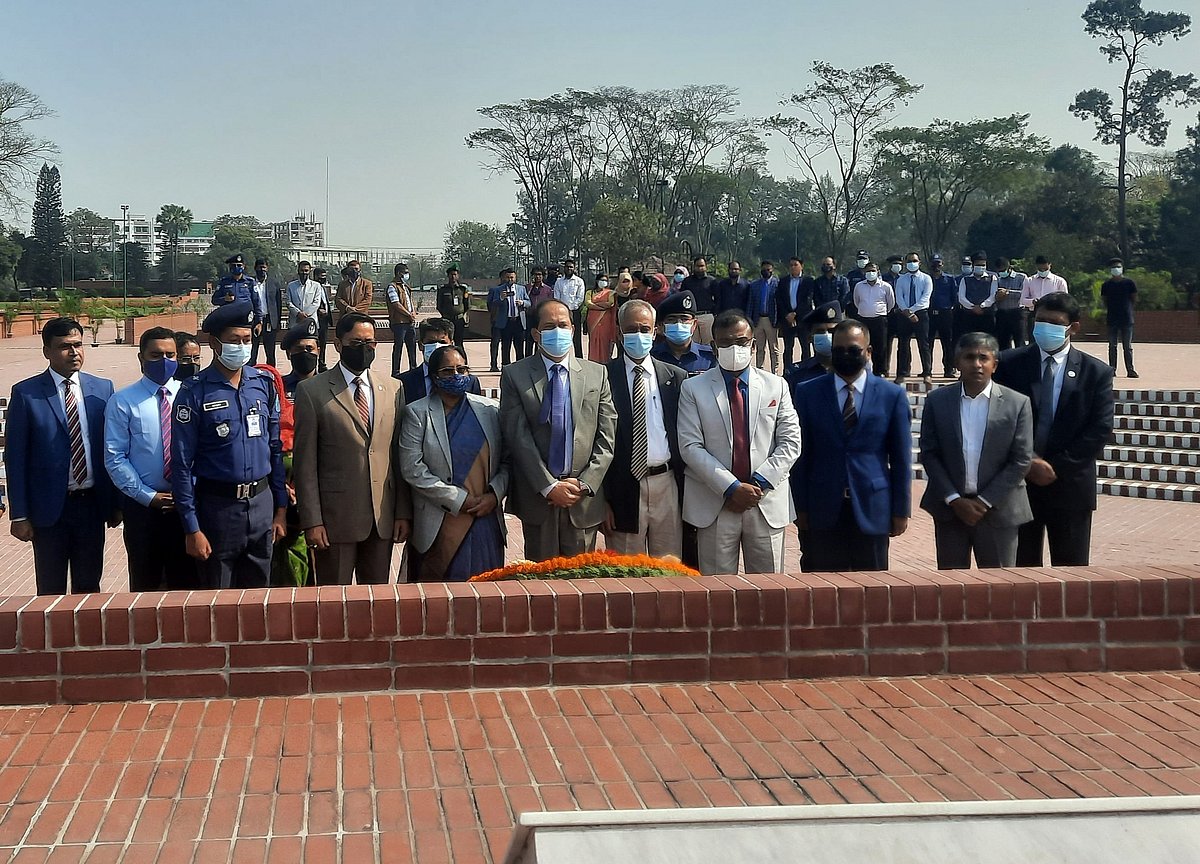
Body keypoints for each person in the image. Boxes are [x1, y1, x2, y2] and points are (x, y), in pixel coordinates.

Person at [171, 301, 288, 590]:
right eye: (234, 340)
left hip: (261, 507)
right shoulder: (194, 391)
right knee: (217, 602)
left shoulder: (262, 384)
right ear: (214, 343)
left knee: (259, 600)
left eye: (247, 340)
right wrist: (191, 527)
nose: (242, 346)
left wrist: (280, 509)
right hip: (218, 510)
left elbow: (274, 448)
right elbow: (181, 464)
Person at [993, 292, 1114, 567]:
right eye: (1040, 320)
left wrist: (1054, 467)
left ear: (1073, 328)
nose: (1045, 327)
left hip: (1070, 488)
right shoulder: (1008, 364)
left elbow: (1100, 429)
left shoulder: (1096, 373)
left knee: (1071, 576)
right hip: (1019, 485)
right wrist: (1030, 462)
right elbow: (998, 419)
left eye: (1054, 322)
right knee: (1020, 576)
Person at [677, 310, 800, 576]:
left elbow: (791, 442)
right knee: (718, 594)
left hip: (764, 502)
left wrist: (757, 485)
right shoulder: (693, 388)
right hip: (716, 503)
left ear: (753, 344)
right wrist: (731, 488)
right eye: (726, 343)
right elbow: (690, 446)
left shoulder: (776, 386)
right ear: (713, 346)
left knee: (770, 593)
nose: (735, 348)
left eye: (742, 342)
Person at [292, 312, 411, 584]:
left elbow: (398, 455)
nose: (364, 348)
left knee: (376, 602)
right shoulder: (312, 391)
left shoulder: (393, 388)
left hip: (382, 519)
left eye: (370, 343)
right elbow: (305, 464)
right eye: (356, 343)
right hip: (335, 521)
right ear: (338, 344)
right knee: (334, 603)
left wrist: (403, 512)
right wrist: (312, 521)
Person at [5, 318, 119, 595]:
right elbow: (15, 458)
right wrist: (19, 514)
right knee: (50, 588)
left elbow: (113, 450)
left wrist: (116, 504)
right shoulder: (26, 394)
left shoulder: (103, 389)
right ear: (47, 351)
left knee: (89, 586)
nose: (74, 352)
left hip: (91, 506)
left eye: (78, 345)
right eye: (64, 347)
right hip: (49, 510)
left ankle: (88, 639)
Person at [499, 299, 616, 560]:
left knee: (581, 584)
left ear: (573, 330)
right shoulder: (514, 375)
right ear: (536, 334)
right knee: (542, 584)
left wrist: (585, 483)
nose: (558, 331)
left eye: (563, 325)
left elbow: (606, 437)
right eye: (549, 326)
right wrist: (549, 486)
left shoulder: (597, 374)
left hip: (582, 498)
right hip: (539, 498)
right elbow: (518, 437)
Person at [791, 319, 911, 572]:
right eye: (839, 350)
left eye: (854, 350)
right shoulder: (807, 392)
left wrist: (901, 510)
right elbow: (801, 456)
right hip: (822, 507)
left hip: (873, 507)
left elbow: (901, 459)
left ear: (868, 352)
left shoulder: (892, 395)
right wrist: (800, 507)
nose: (846, 355)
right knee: (822, 591)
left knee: (871, 593)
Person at [919, 333, 1034, 569]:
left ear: (995, 364)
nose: (977, 364)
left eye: (984, 358)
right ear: (957, 362)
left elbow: (1021, 459)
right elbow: (929, 453)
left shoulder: (1017, 403)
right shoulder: (937, 401)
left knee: (1000, 591)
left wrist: (984, 501)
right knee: (951, 587)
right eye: (969, 357)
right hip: (951, 511)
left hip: (999, 511)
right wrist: (954, 499)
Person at [399, 346, 507, 582]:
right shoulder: (417, 413)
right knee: (437, 601)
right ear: (435, 377)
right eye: (448, 371)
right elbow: (412, 468)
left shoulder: (490, 410)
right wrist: (457, 499)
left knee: (486, 594)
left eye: (462, 369)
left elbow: (507, 462)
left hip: (484, 518)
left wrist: (494, 495)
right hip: (440, 522)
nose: (457, 375)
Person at [103, 326, 197, 592]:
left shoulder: (190, 395)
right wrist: (147, 496)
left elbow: (204, 450)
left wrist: (189, 490)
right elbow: (115, 457)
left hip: (187, 506)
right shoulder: (122, 401)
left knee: (187, 584)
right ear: (141, 358)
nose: (164, 361)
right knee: (146, 584)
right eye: (156, 355)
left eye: (170, 355)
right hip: (143, 509)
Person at [602, 300, 686, 557]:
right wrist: (601, 501)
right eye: (631, 329)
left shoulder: (675, 377)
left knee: (669, 570)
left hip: (666, 483)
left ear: (655, 331)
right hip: (622, 487)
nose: (638, 335)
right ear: (619, 333)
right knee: (627, 573)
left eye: (644, 328)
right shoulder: (603, 376)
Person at [397, 318, 483, 405]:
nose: (437, 346)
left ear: (451, 345)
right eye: (431, 342)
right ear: (420, 345)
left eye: (442, 342)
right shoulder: (404, 382)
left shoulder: (469, 381)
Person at [891, 251, 934, 385]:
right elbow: (899, 297)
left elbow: (925, 297)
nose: (912, 263)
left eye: (914, 261)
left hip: (921, 313)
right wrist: (908, 313)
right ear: (905, 264)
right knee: (903, 344)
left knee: (924, 344)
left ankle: (927, 373)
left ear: (919, 262)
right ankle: (901, 373)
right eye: (909, 261)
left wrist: (913, 311)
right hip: (904, 315)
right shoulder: (901, 279)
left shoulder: (926, 278)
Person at [650, 290, 716, 376]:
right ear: (661, 325)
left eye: (684, 319)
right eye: (671, 319)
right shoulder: (652, 356)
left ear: (694, 324)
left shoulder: (709, 357)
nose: (678, 324)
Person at [783, 301, 842, 391]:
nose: (827, 335)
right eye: (820, 331)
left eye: (832, 331)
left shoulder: (852, 371)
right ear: (810, 337)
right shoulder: (796, 375)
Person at [852, 262, 895, 377]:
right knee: (862, 345)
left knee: (880, 346)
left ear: (878, 272)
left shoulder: (886, 286)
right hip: (863, 320)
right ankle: (862, 370)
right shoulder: (859, 286)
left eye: (873, 271)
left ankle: (880, 370)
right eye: (868, 271)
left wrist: (881, 311)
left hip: (879, 320)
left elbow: (890, 303)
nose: (870, 273)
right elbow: (857, 301)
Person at [1101, 257, 1139, 378]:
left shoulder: (1129, 283)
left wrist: (1128, 309)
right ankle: (1112, 369)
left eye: (1118, 267)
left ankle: (1130, 370)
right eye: (1113, 267)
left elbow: (1134, 298)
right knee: (1112, 346)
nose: (1116, 269)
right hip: (1112, 318)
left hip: (1126, 318)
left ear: (1122, 268)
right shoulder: (1106, 285)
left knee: (1127, 347)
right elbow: (1104, 300)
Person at [488, 268, 530, 370]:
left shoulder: (521, 289)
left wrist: (523, 303)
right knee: (505, 346)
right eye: (507, 277)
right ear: (504, 278)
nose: (509, 279)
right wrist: (501, 298)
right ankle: (506, 366)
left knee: (519, 346)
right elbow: (493, 303)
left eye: (512, 277)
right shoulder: (499, 290)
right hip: (505, 322)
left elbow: (529, 302)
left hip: (518, 321)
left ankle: (520, 366)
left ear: (515, 278)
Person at [776, 256, 814, 367]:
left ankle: (805, 371)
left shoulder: (808, 281)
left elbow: (808, 299)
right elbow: (779, 299)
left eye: (795, 265)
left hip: (803, 318)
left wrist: (795, 313)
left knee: (805, 347)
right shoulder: (783, 281)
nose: (793, 267)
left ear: (801, 266)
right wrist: (787, 314)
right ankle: (787, 371)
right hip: (787, 320)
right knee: (788, 348)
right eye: (791, 265)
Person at [746, 260, 780, 372]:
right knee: (760, 347)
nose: (766, 271)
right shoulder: (754, 285)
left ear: (772, 270)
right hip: (758, 319)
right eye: (764, 269)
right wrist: (749, 320)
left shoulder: (777, 284)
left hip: (771, 319)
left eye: (768, 269)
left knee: (773, 348)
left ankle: (775, 371)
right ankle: (759, 369)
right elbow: (750, 303)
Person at [927, 254, 958, 378]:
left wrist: (950, 307)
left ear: (942, 264)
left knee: (947, 343)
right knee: (928, 343)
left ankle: (949, 369)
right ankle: (927, 370)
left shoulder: (949, 279)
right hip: (929, 313)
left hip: (945, 314)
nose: (936, 266)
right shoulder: (927, 278)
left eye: (938, 263)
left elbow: (954, 296)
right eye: (934, 264)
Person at [1018, 255, 1069, 330]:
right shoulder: (1029, 281)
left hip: (1053, 315)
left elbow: (1065, 301)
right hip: (1035, 314)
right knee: (1034, 340)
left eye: (1045, 269)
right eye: (1040, 269)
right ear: (1036, 267)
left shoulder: (1059, 281)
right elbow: (1022, 300)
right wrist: (1033, 301)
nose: (1042, 271)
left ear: (1050, 265)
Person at [956, 251, 998, 342]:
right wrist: (973, 307)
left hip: (987, 315)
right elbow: (961, 298)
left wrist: (982, 306)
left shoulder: (992, 278)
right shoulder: (965, 279)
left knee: (988, 341)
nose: (981, 267)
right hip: (970, 316)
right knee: (970, 342)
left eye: (983, 265)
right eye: (978, 265)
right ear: (973, 265)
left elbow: (993, 295)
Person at [286, 260, 329, 348]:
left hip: (311, 320)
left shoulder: (316, 285)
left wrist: (305, 315)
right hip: (295, 321)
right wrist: (298, 314)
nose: (304, 273)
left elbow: (316, 303)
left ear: (309, 271)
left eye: (306, 270)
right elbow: (288, 302)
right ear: (298, 271)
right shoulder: (291, 286)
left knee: (310, 346)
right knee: (295, 346)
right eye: (302, 270)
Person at [212, 254, 263, 326]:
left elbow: (256, 301)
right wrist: (225, 299)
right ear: (230, 267)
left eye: (239, 265)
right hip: (229, 318)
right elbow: (214, 300)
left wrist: (259, 320)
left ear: (243, 266)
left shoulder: (250, 282)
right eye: (233, 265)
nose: (236, 267)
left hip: (245, 317)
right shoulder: (224, 282)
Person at [386, 262, 418, 374]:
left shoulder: (405, 287)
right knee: (398, 347)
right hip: (399, 322)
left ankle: (413, 369)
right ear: (399, 273)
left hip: (409, 322)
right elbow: (396, 304)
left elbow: (409, 302)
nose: (407, 275)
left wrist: (413, 312)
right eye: (405, 273)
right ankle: (396, 371)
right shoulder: (392, 286)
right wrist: (408, 314)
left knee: (412, 347)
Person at [249, 258, 282, 367]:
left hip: (269, 320)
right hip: (254, 320)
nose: (262, 270)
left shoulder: (274, 283)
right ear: (255, 268)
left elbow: (279, 303)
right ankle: (250, 372)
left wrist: (278, 322)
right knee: (252, 351)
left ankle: (272, 374)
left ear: (267, 268)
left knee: (270, 351)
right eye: (259, 267)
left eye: (264, 267)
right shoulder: (250, 283)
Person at [280, 319, 321, 403]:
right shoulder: (280, 386)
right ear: (288, 354)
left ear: (318, 352)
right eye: (299, 349)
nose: (305, 352)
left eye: (309, 348)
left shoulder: (328, 385)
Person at [553, 258, 587, 358]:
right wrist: (564, 310)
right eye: (567, 267)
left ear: (574, 268)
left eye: (571, 267)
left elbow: (580, 298)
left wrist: (571, 309)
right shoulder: (559, 282)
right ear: (564, 268)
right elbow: (556, 297)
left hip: (575, 312)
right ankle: (561, 358)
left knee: (577, 339)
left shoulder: (579, 281)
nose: (569, 269)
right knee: (562, 337)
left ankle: (579, 359)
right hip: (561, 313)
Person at [680, 256, 718, 343]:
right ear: (694, 267)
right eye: (697, 266)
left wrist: (715, 313)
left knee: (709, 344)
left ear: (706, 267)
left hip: (707, 316)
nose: (700, 268)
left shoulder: (712, 281)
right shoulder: (687, 281)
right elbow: (683, 297)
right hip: (691, 316)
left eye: (702, 266)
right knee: (692, 344)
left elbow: (718, 298)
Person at [993, 258, 1028, 351]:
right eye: (999, 271)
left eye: (1003, 270)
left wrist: (1008, 293)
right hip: (1002, 313)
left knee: (1019, 341)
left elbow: (1024, 294)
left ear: (1009, 268)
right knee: (1003, 342)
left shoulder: (1021, 277)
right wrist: (998, 296)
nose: (1001, 272)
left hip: (1017, 313)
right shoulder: (997, 279)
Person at [437, 265, 471, 357]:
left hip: (459, 321)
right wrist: (446, 315)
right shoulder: (443, 289)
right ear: (448, 276)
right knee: (446, 343)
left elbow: (467, 305)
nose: (453, 277)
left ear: (458, 276)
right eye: (451, 274)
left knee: (459, 343)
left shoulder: (462, 289)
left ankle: (463, 363)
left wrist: (460, 314)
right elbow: (439, 306)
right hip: (447, 321)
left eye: (455, 274)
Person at [584, 273, 618, 363]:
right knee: (593, 341)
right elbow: (588, 304)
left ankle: (605, 362)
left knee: (604, 340)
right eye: (602, 280)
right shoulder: (589, 292)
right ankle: (593, 362)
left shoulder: (610, 293)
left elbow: (610, 303)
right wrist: (602, 306)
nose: (603, 282)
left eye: (605, 281)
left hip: (606, 320)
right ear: (597, 281)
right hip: (592, 320)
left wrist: (596, 304)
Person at [525, 266, 555, 354]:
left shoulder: (548, 289)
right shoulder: (527, 288)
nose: (537, 277)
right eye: (535, 275)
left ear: (543, 276)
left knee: (539, 340)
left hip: (541, 317)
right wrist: (530, 288)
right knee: (529, 340)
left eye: (539, 275)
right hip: (529, 317)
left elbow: (550, 303)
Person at [311, 267, 334, 370]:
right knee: (314, 342)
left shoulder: (323, 287)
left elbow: (325, 302)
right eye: (321, 277)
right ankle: (313, 364)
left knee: (323, 342)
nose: (323, 279)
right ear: (315, 277)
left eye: (324, 277)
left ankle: (322, 363)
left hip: (324, 319)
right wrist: (318, 310)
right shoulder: (312, 287)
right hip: (315, 317)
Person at [843, 250, 872, 318]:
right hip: (854, 307)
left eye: (864, 258)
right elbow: (847, 290)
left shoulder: (873, 274)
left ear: (868, 260)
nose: (862, 260)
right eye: (860, 258)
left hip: (869, 306)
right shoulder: (851, 274)